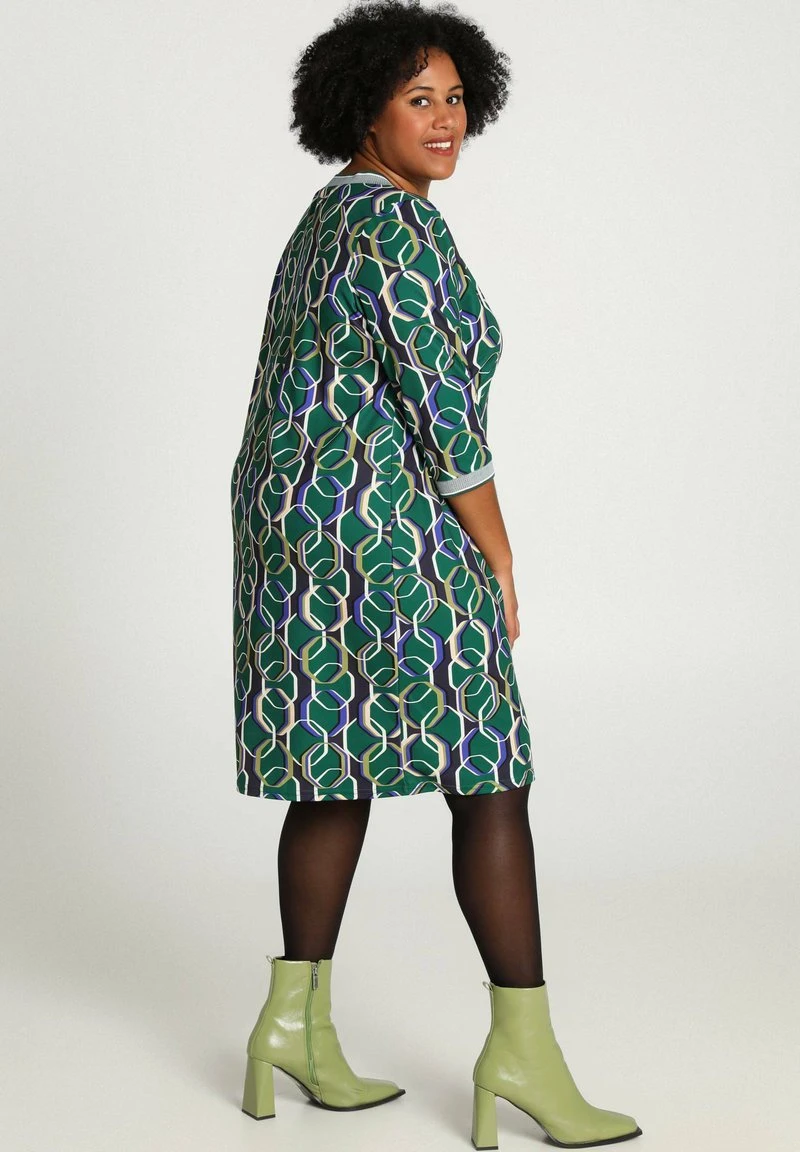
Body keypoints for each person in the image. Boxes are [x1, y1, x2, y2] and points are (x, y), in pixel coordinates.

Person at [230, 1, 642, 1146]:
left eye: (455, 98)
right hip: (382, 533)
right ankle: (522, 1055)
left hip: (290, 529)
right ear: (361, 110)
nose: (445, 119)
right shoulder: (399, 229)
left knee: (331, 766)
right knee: (488, 771)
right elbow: (443, 418)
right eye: (418, 99)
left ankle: (291, 1027)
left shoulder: (327, 217)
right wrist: (497, 555)